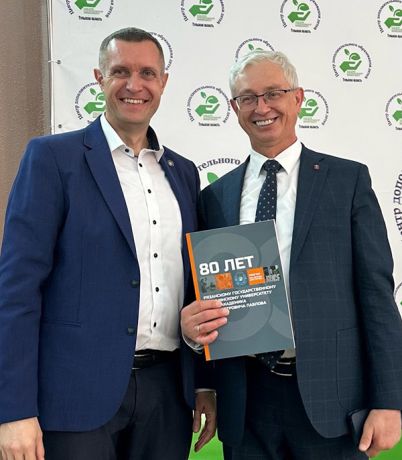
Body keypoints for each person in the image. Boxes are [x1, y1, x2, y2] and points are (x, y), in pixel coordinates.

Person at [0, 27, 216, 460]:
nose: (135, 85)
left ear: (164, 83)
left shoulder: (184, 173)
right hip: (74, 397)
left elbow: (195, 286)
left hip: (167, 395)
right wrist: (14, 410)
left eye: (147, 73)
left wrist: (203, 384)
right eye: (121, 72)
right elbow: (17, 291)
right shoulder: (52, 159)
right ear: (99, 78)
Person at [181, 50, 402, 459]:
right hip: (246, 400)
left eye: (273, 93)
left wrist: (389, 400)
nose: (261, 107)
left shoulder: (347, 181)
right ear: (233, 107)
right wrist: (205, 384)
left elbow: (376, 294)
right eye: (248, 98)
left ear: (297, 98)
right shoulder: (215, 196)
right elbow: (208, 299)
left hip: (332, 400)